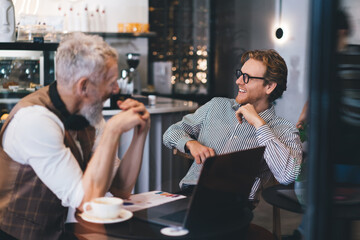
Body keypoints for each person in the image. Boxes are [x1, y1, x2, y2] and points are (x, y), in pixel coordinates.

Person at [0, 32, 150, 240]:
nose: (116, 89)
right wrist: (112, 131)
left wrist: (141, 132)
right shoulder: (35, 121)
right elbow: (86, 201)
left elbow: (120, 188)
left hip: (57, 232)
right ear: (84, 86)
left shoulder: (89, 112)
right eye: (111, 81)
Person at [163, 49, 302, 204]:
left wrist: (258, 123)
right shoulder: (216, 105)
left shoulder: (284, 130)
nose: (238, 81)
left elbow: (288, 175)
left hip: (234, 203)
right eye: (240, 74)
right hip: (192, 194)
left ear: (269, 86)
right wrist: (191, 144)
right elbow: (171, 132)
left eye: (247, 77)